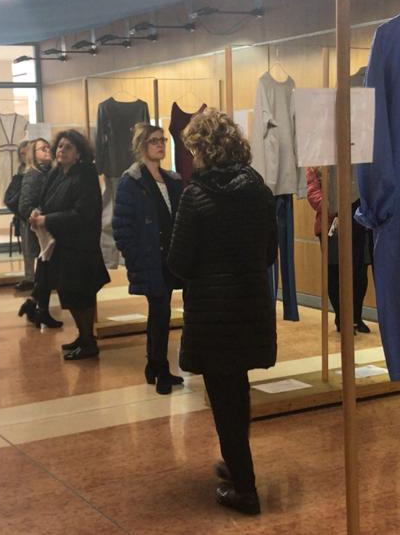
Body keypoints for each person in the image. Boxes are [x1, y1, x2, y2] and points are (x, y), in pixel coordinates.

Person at [167, 108, 277, 515]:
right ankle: (235, 464)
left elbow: (179, 263)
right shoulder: (259, 191)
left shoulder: (196, 196)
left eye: (194, 149)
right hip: (250, 306)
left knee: (223, 397)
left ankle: (245, 490)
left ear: (205, 150)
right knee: (238, 391)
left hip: (213, 313)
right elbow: (269, 253)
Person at [113, 123, 185, 395]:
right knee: (160, 311)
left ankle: (154, 366)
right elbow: (122, 226)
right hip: (149, 258)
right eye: (154, 141)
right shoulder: (131, 181)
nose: (160, 145)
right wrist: (134, 257)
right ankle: (160, 367)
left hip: (171, 258)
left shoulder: (172, 180)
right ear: (142, 145)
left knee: (161, 312)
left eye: (162, 140)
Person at [28, 130, 110, 360]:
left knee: (81, 296)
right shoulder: (57, 173)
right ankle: (83, 337)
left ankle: (88, 342)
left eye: (68, 147)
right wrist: (37, 212)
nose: (61, 150)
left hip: (80, 247)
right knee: (70, 295)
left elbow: (83, 213)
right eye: (60, 146)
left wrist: (47, 220)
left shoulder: (85, 175)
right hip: (61, 246)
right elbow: (45, 201)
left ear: (79, 154)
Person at [305, 167, 373, 334]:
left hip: (358, 220)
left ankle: (356, 317)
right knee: (334, 272)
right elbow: (313, 193)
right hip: (331, 223)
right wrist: (333, 206)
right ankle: (341, 318)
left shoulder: (358, 160)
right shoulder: (317, 163)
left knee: (359, 272)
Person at [16, 138, 63, 328]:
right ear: (33, 155)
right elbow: (24, 205)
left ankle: (35, 305)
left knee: (46, 270)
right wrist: (38, 216)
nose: (47, 151)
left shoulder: (51, 172)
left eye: (47, 147)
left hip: (49, 227)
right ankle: (39, 308)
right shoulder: (33, 174)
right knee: (46, 269)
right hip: (40, 230)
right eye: (42, 149)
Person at [7, 140, 35, 292]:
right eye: (22, 154)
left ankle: (44, 278)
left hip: (38, 212)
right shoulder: (20, 170)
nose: (24, 157)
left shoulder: (40, 169)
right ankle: (30, 277)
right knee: (27, 248)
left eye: (26, 153)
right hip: (23, 215)